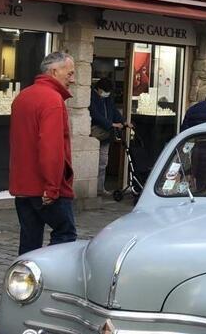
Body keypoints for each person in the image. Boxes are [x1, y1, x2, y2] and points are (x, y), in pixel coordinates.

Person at [10, 52, 77, 255]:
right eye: (70, 73)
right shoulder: (52, 100)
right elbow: (51, 147)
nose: (72, 79)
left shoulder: (23, 96)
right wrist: (52, 187)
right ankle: (51, 278)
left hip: (23, 186)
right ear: (54, 71)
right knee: (65, 234)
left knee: (29, 241)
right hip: (45, 188)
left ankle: (23, 281)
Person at [90, 77, 125, 196]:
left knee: (103, 162)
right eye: (105, 91)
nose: (107, 94)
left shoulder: (108, 98)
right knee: (93, 163)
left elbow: (114, 111)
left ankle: (100, 188)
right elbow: (95, 115)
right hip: (95, 133)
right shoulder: (91, 97)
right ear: (99, 89)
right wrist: (111, 124)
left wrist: (123, 122)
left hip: (106, 135)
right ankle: (92, 189)